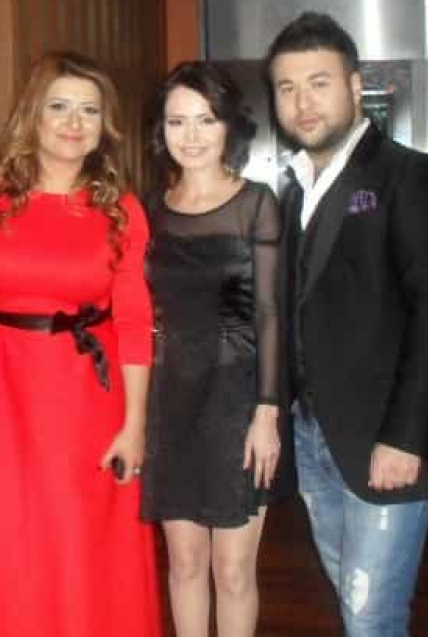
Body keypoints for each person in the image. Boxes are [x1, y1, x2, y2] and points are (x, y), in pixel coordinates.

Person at [0, 51, 161, 637]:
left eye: (89, 110)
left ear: (105, 125)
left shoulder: (121, 209)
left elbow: (134, 321)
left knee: (82, 546)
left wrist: (135, 424)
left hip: (89, 400)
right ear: (33, 114)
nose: (73, 123)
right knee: (0, 540)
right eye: (59, 107)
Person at [266, 12, 428, 635]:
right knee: (356, 606)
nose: (303, 103)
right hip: (314, 437)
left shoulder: (409, 175)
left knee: (370, 615)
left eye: (319, 83)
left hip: (386, 437)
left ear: (355, 86)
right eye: (287, 87)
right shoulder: (294, 187)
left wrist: (406, 438)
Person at [140, 61, 293, 637]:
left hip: (238, 400)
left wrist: (267, 413)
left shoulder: (256, 203)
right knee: (183, 563)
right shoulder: (150, 209)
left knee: (232, 571)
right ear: (161, 129)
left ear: (230, 125)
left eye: (206, 119)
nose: (192, 135)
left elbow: (270, 313)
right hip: (171, 397)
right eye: (177, 121)